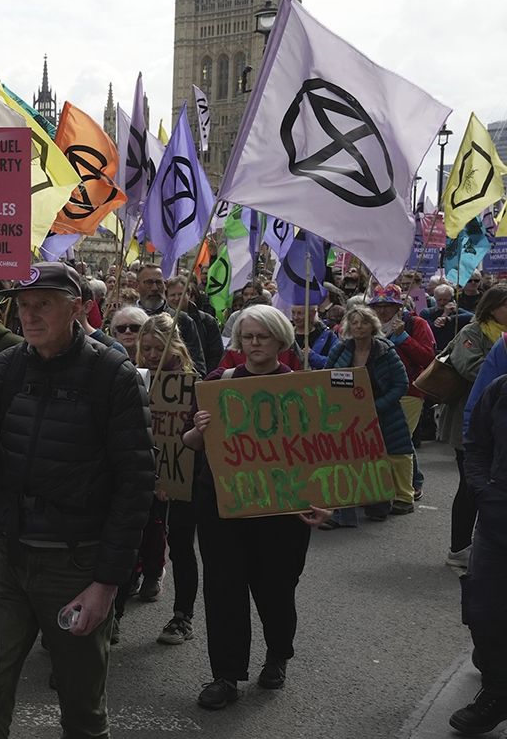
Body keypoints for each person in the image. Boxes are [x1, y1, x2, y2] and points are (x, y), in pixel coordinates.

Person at [0, 261, 154, 739]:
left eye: (44, 302)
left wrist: (106, 584)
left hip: (76, 565)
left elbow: (136, 487)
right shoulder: (4, 369)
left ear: (76, 306)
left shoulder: (112, 376)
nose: (30, 313)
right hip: (9, 560)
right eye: (23, 303)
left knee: (82, 709)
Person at [181, 305, 332, 709]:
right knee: (224, 589)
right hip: (223, 507)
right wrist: (198, 428)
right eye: (247, 336)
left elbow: (321, 452)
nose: (254, 344)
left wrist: (322, 500)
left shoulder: (301, 386)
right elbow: (188, 443)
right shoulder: (219, 382)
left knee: (277, 587)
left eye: (262, 336)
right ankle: (225, 675)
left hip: (281, 510)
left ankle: (278, 653)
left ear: (280, 340)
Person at [129, 314, 199, 646]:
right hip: (141, 474)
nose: (153, 355)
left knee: (182, 547)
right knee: (132, 539)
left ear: (175, 347)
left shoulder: (192, 383)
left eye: (160, 348)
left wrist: (171, 477)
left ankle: (183, 616)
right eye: (148, 349)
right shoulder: (133, 377)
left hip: (179, 478)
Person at [319, 304, 411, 529]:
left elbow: (401, 385)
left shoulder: (386, 350)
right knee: (347, 459)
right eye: (355, 322)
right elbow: (325, 380)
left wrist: (377, 406)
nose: (359, 327)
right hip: (347, 415)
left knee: (379, 458)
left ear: (373, 326)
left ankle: (379, 504)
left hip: (383, 414)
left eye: (364, 322)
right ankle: (343, 512)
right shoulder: (339, 351)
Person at [454, 367, 507, 735]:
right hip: (497, 520)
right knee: (484, 610)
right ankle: (497, 692)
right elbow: (476, 447)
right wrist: (484, 494)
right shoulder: (500, 390)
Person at [449, 285, 507, 568]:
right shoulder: (472, 333)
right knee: (471, 485)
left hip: (498, 423)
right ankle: (459, 546)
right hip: (470, 420)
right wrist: (498, 366)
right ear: (492, 307)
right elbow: (469, 367)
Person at [368, 284, 434, 514]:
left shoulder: (416, 324)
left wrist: (403, 337)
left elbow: (428, 357)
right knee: (389, 438)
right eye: (378, 306)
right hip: (378, 393)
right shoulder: (370, 326)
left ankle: (411, 486)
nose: (383, 311)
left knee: (400, 436)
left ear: (399, 305)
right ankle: (406, 483)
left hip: (410, 391)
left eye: (388, 306)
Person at [165, 277, 222, 370]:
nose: (176, 298)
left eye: (180, 294)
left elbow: (216, 355)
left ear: (189, 294)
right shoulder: (161, 321)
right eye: (172, 295)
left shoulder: (207, 321)